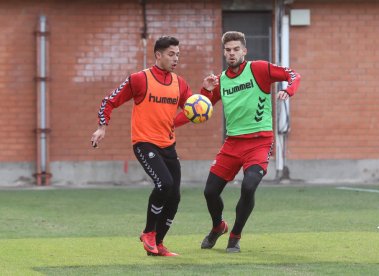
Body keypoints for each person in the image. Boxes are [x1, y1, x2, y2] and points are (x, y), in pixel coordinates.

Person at [176, 31, 301, 253]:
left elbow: (293, 75)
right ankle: (218, 227)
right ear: (224, 52)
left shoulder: (259, 69)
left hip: (259, 142)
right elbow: (198, 108)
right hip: (232, 144)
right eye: (228, 50)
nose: (231, 53)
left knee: (249, 186)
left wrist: (288, 91)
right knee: (210, 192)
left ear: (244, 51)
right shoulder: (221, 80)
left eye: (236, 49)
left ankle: (234, 236)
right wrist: (205, 90)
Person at [91, 36, 198, 257]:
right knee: (164, 184)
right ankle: (149, 232)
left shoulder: (180, 83)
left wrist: (205, 93)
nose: (175, 58)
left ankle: (157, 244)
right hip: (144, 142)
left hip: (169, 145)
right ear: (158, 55)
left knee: (175, 196)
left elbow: (194, 110)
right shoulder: (140, 79)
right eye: (171, 54)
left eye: (178, 54)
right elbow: (108, 101)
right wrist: (102, 127)